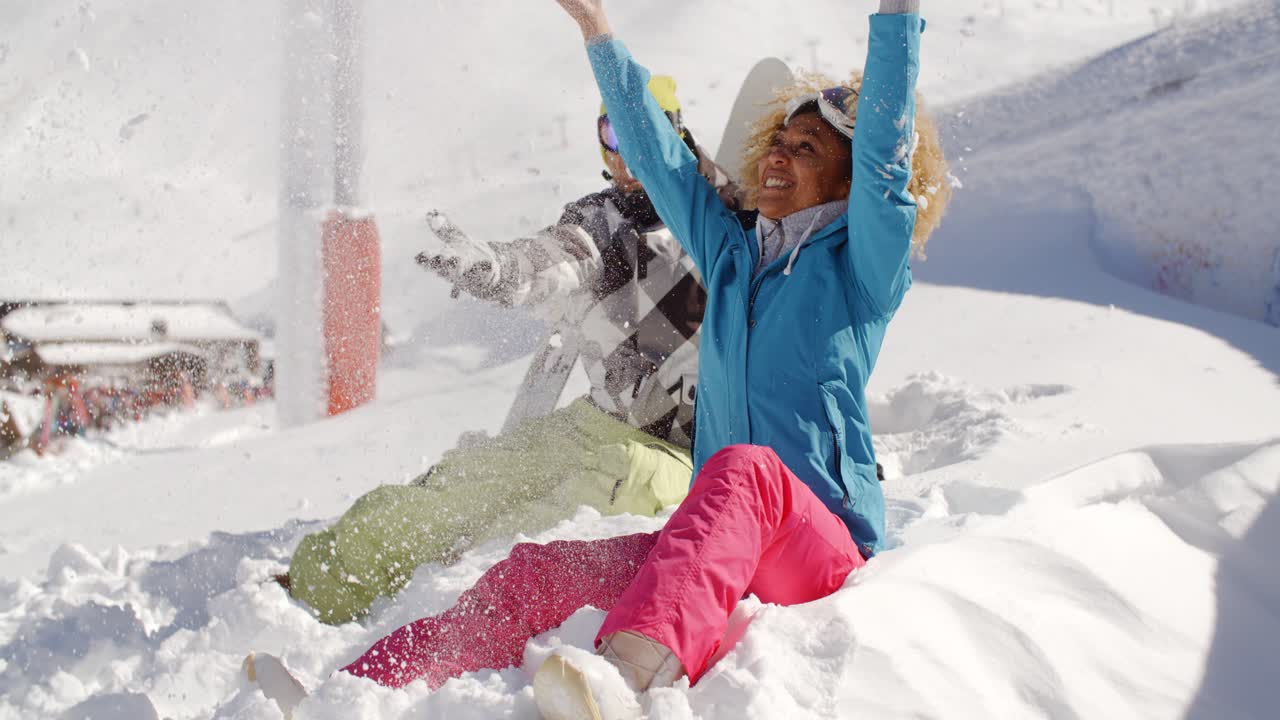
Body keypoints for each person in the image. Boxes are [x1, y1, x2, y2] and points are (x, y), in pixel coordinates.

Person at [526, 0, 952, 716]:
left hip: (818, 550)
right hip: (725, 546)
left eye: (808, 148)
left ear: (847, 183)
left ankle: (627, 680)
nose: (779, 156)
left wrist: (897, 15)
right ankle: (381, 685)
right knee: (541, 574)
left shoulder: (862, 267)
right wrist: (596, 28)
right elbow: (660, 158)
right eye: (778, 143)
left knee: (747, 472)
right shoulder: (730, 256)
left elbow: (884, 155)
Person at [279, 76, 743, 625]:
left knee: (556, 513)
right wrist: (502, 270)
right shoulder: (600, 219)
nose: (632, 150)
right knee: (468, 484)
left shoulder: (727, 213)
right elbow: (558, 256)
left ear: (678, 132)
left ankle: (443, 617)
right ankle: (312, 589)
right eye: (616, 133)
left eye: (651, 129)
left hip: (691, 451)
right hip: (603, 419)